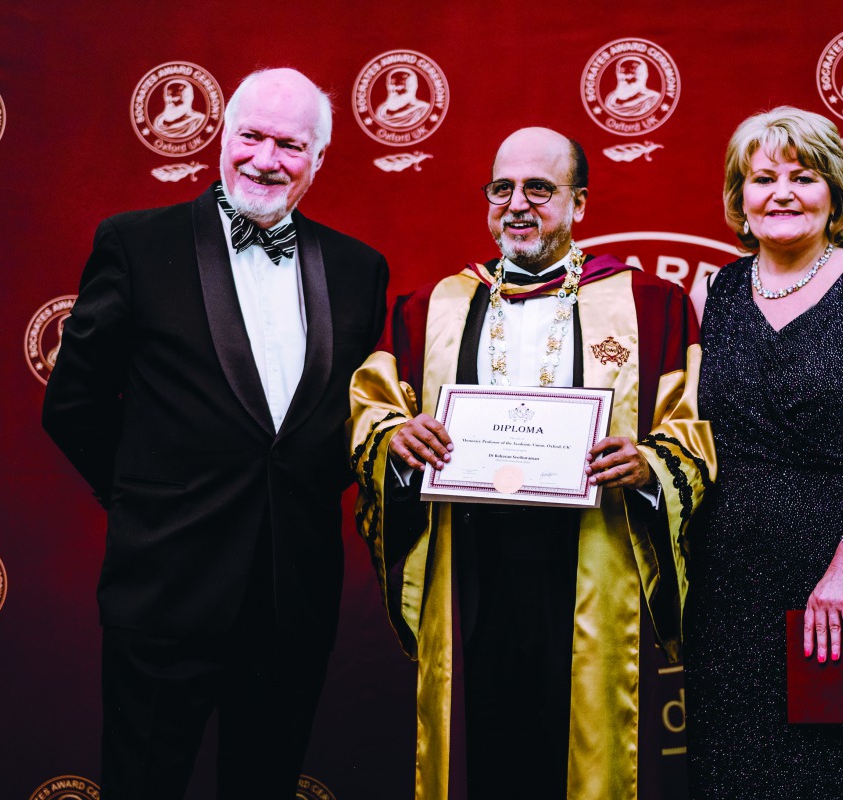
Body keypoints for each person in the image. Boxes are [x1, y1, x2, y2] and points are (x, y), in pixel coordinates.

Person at [42, 67, 388, 800]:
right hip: (165, 589)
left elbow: (344, 422)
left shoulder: (360, 270)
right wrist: (147, 500)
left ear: (319, 158)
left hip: (292, 597)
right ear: (222, 136)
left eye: (290, 144)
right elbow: (73, 402)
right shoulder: (136, 244)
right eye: (251, 136)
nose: (266, 159)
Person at [348, 126, 713, 800]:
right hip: (468, 568)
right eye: (502, 188)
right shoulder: (431, 309)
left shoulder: (650, 306)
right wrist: (399, 442)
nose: (518, 204)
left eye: (539, 189)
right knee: (479, 754)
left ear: (579, 204)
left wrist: (649, 465)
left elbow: (692, 430)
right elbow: (374, 412)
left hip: (590, 565)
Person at [684, 106, 843, 797]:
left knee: (842, 774)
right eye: (762, 178)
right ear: (740, 200)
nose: (782, 192)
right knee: (735, 771)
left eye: (804, 175)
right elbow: (681, 430)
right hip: (728, 585)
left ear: (835, 194)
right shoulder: (711, 293)